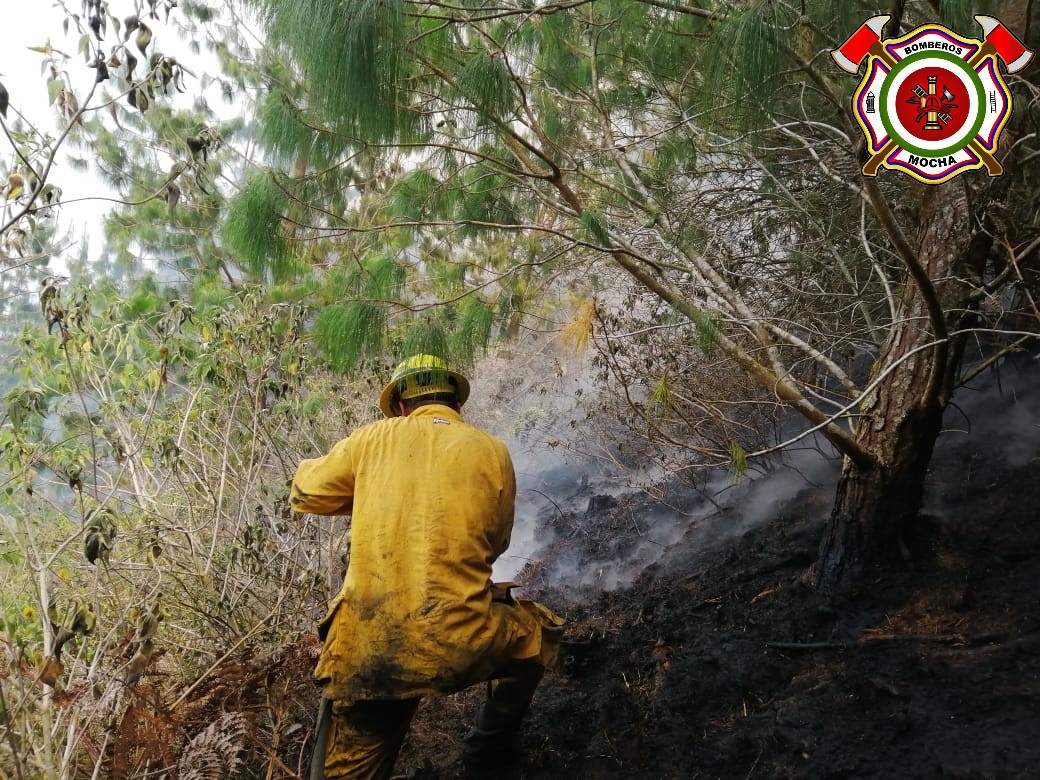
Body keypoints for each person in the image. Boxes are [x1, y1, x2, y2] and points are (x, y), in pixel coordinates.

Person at [291, 354, 565, 779]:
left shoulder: (371, 440)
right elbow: (496, 542)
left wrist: (368, 493)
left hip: (372, 652)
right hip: (464, 640)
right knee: (537, 639)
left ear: (401, 405)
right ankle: (485, 754)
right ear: (456, 403)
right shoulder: (491, 450)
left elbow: (306, 495)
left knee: (354, 764)